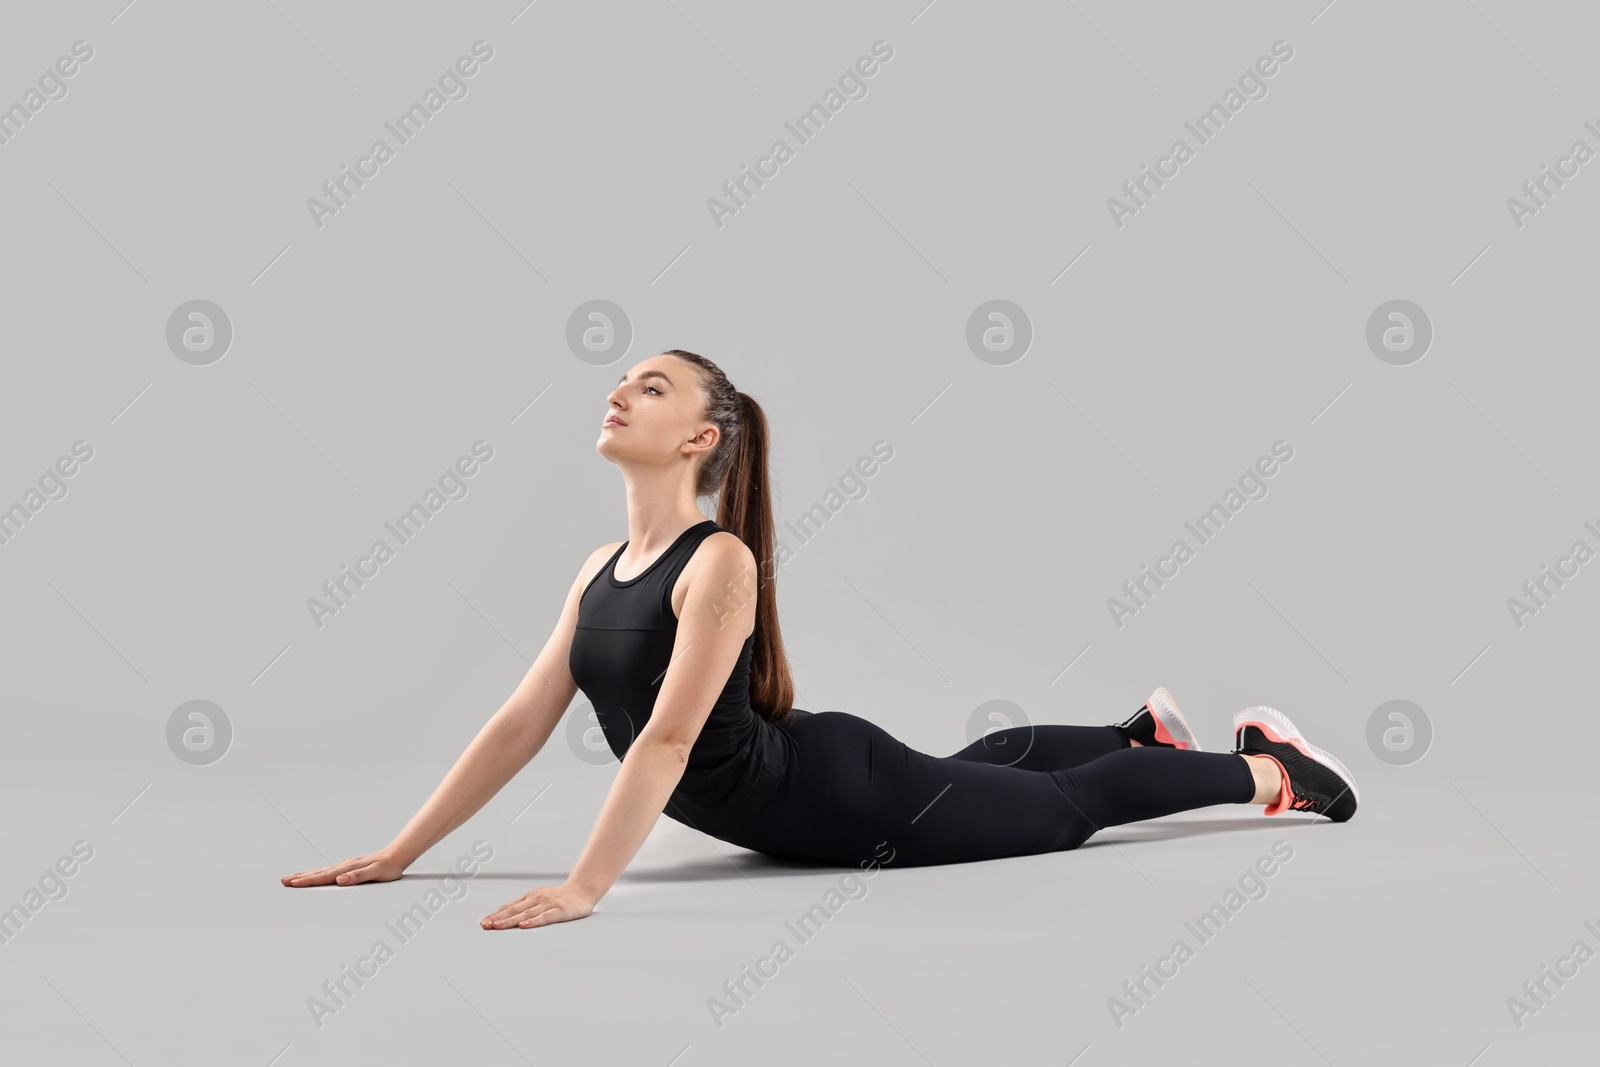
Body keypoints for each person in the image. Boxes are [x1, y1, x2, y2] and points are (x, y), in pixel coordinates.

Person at [281, 349, 1359, 929]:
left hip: (843, 796)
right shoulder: (594, 570)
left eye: (647, 387)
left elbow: (662, 741)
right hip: (827, 780)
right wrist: (399, 852)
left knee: (1062, 817)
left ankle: (1271, 767)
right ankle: (1135, 735)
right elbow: (518, 721)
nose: (617, 390)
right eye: (619, 380)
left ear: (699, 437)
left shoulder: (718, 561)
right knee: (965, 772)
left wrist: (582, 886)